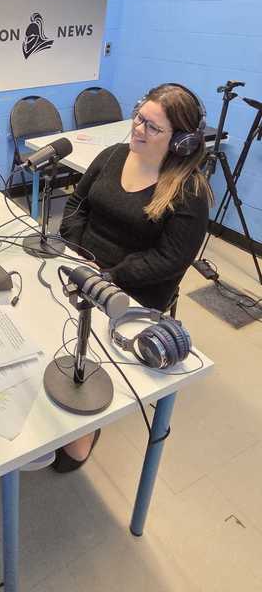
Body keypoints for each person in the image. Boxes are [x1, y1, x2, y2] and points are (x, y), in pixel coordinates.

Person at [53, 83, 213, 472]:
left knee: (81, 355)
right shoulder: (112, 156)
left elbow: (170, 260)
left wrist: (107, 276)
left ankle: (83, 428)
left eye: (152, 127)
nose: (138, 129)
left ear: (182, 141)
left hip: (132, 296)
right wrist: (75, 251)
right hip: (83, 271)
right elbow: (77, 205)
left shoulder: (189, 192)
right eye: (139, 117)